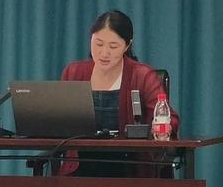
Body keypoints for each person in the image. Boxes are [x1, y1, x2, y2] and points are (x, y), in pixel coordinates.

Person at [58, 9, 180, 177]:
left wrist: (160, 129)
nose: (104, 53)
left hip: (130, 167)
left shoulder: (142, 75)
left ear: (127, 45)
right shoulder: (73, 72)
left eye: (113, 46)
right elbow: (59, 119)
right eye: (98, 44)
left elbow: (169, 118)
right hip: (80, 168)